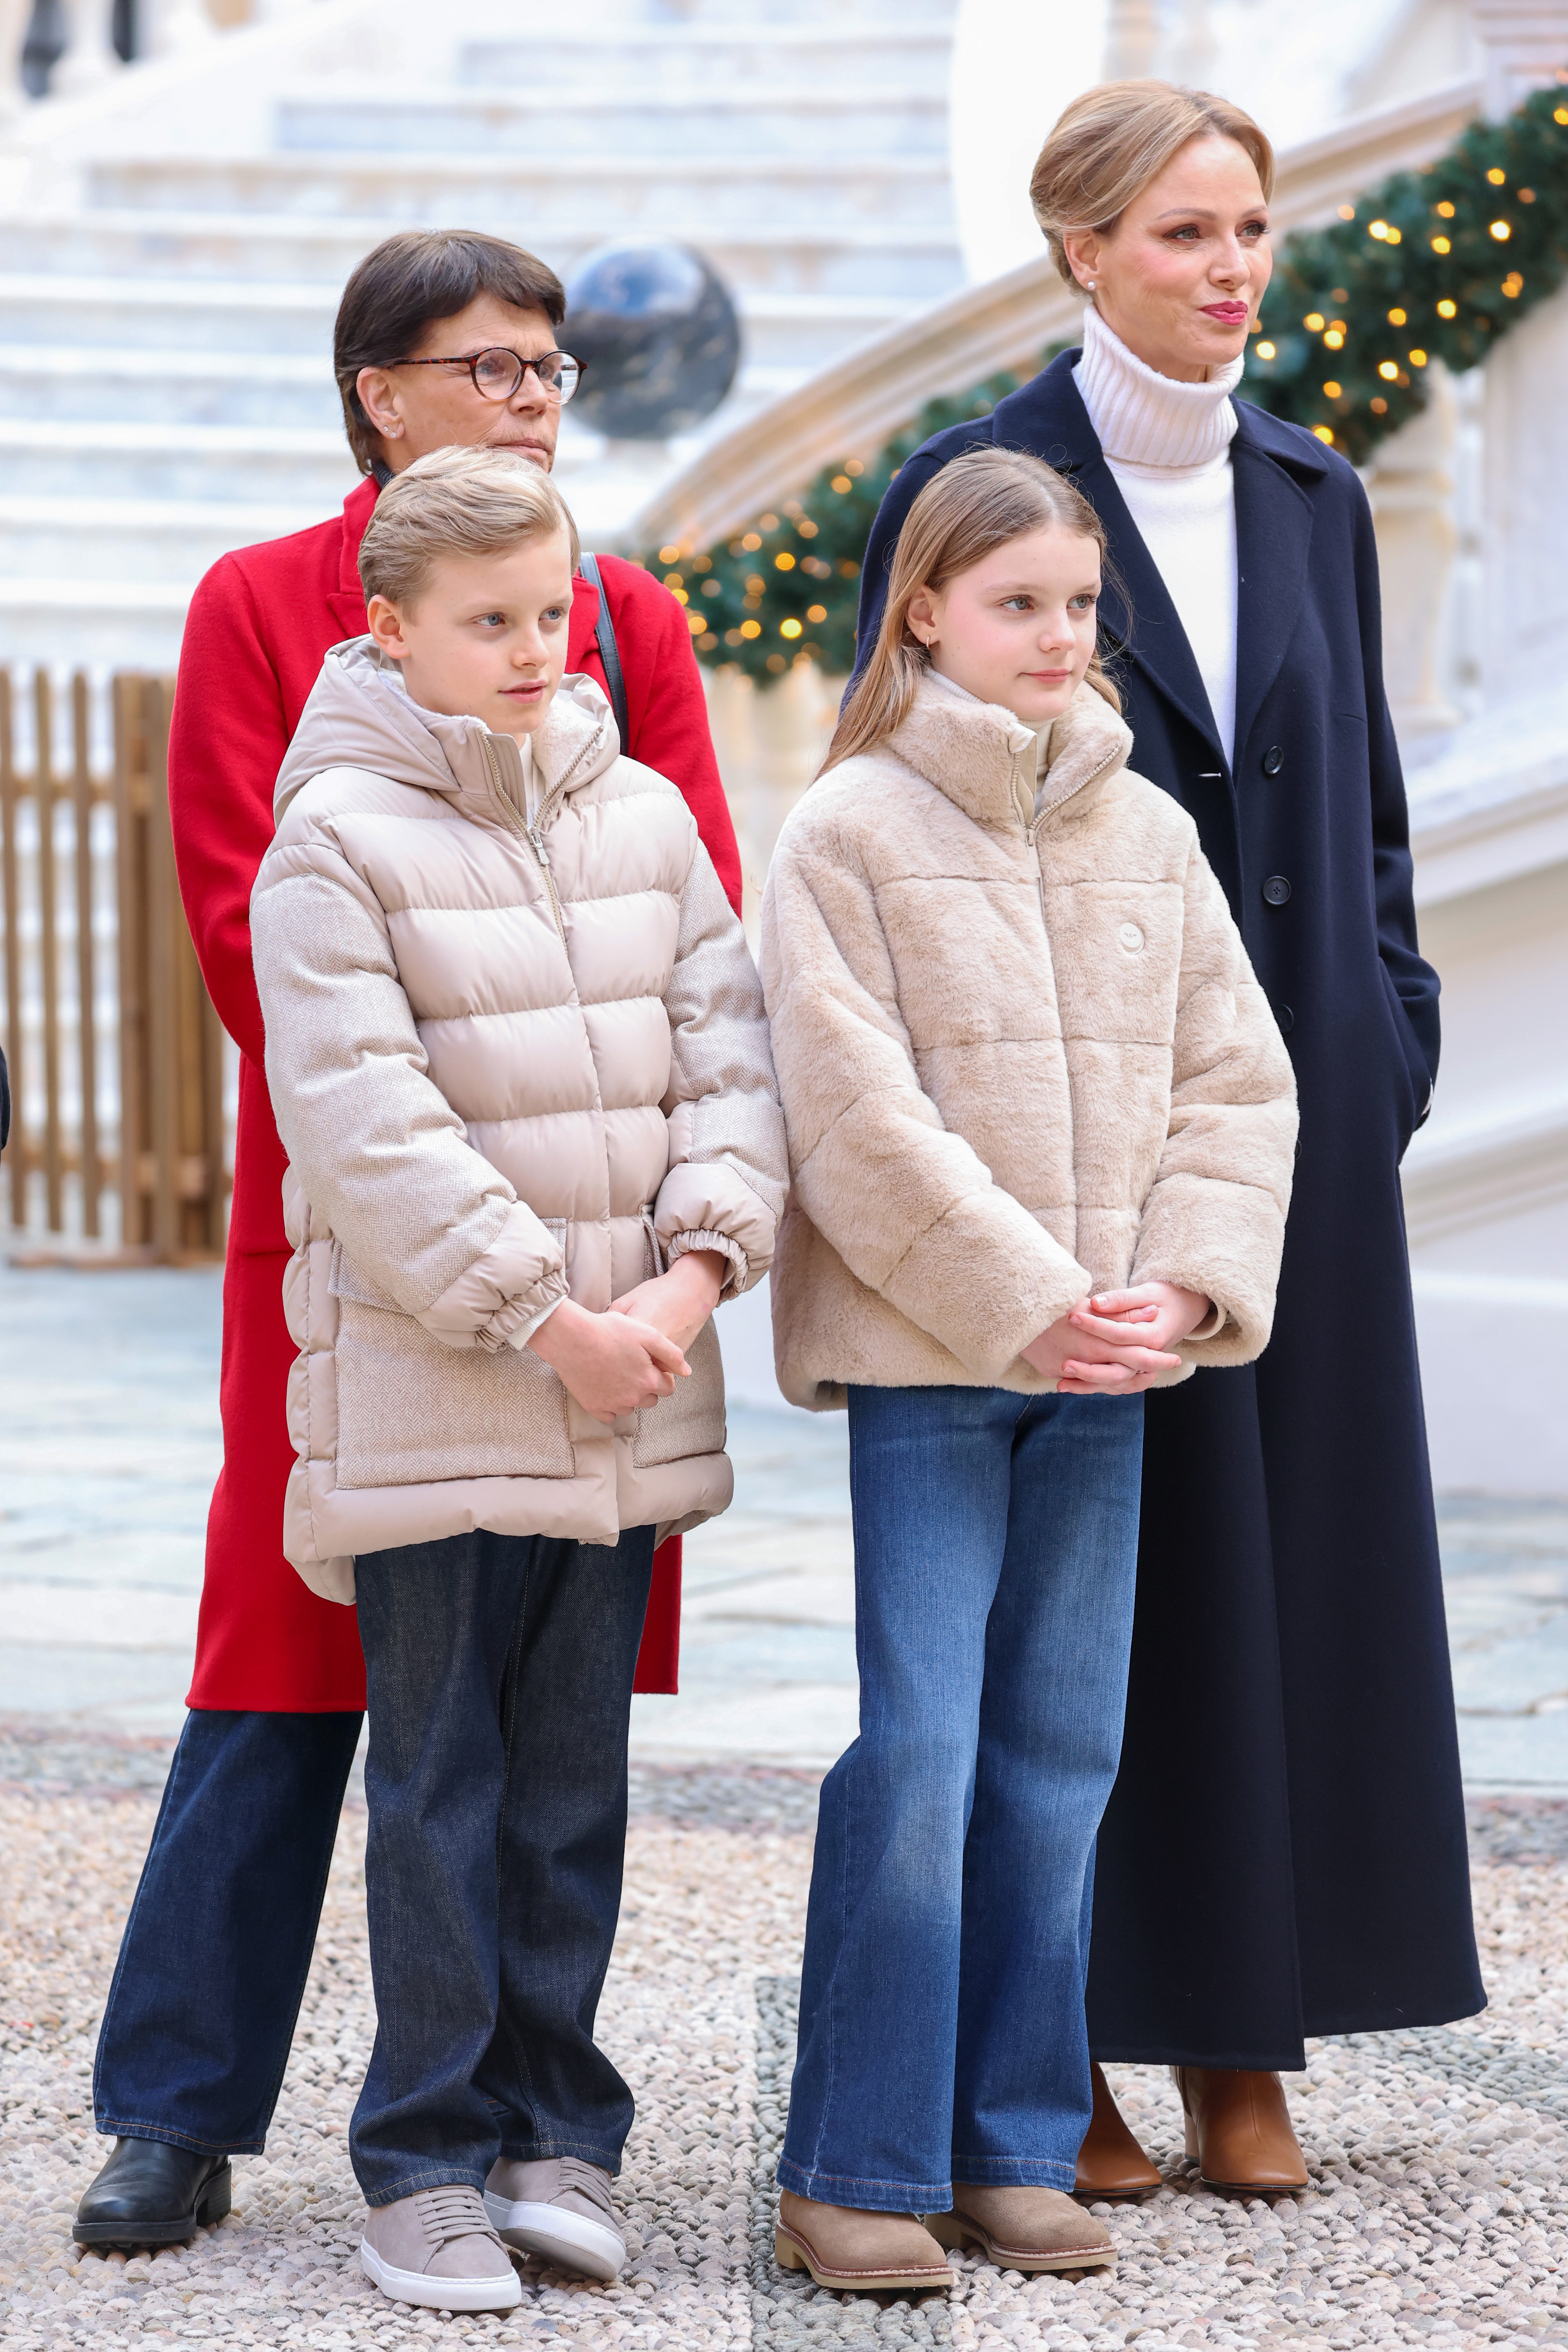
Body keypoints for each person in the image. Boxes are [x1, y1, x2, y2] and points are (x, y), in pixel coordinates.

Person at [75, 229, 745, 2251]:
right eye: (484, 366)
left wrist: (640, 1262)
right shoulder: (263, 601)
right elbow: (243, 929)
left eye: (548, 365)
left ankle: (530, 2120)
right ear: (377, 388)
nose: (531, 395)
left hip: (611, 1259)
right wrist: (468, 1224)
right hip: (364, 1237)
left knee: (538, 1720)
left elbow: (693, 911)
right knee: (277, 1667)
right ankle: (178, 2108)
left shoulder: (621, 611)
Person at [851, 82, 1484, 2197]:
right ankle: (1072, 2058)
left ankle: (1244, 2042)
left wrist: (1382, 1043)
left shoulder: (1305, 489)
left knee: (1291, 1578)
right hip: (1055, 1137)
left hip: (1288, 1128)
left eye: (1248, 229)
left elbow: (1366, 812)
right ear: (1080, 249)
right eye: (1186, 232)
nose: (1230, 268)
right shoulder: (968, 488)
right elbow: (898, 793)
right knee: (1087, 1608)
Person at [250, 447, 785, 2311]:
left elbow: (731, 1056)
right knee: (442, 1778)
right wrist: (552, 1314)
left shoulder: (640, 811)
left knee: (573, 1780)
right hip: (449, 1389)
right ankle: (424, 2159)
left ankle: (566, 2131)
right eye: (490, 621)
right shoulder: (333, 840)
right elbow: (365, 1125)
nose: (536, 647)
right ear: (390, 627)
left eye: (552, 613)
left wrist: (697, 1272)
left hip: (633, 1382)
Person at [759, 445, 1297, 2293]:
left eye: (1079, 604)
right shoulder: (844, 834)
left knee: (1061, 1753)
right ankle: (854, 2162)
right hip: (935, 1363)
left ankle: (1005, 2141)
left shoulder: (1151, 833)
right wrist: (1022, 1294)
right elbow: (852, 1112)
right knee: (920, 1748)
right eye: (1016, 604)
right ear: (925, 612)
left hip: (1108, 1377)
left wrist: (1184, 1286)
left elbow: (1239, 1080)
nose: (1059, 634)